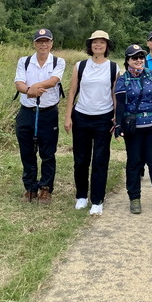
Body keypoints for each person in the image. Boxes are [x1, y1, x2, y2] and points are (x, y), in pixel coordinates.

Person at [64, 31, 119, 216]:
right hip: (81, 116)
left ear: (107, 46)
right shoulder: (80, 66)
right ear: (90, 45)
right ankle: (81, 196)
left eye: (102, 42)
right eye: (95, 42)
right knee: (80, 159)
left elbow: (114, 94)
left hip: (104, 117)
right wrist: (67, 116)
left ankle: (97, 200)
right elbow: (72, 92)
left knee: (100, 160)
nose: (98, 45)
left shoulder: (113, 67)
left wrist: (116, 117)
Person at [114, 44, 152, 216]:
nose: (138, 60)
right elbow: (121, 104)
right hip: (134, 129)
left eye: (141, 57)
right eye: (134, 57)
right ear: (128, 60)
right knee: (134, 163)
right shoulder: (123, 79)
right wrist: (118, 125)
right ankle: (134, 198)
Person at [14, 28, 65, 204]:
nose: (43, 44)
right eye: (40, 41)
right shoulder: (24, 61)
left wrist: (34, 87)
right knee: (27, 152)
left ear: (51, 43)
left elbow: (53, 81)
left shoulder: (59, 61)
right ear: (35, 44)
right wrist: (29, 91)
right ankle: (30, 187)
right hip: (27, 111)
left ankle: (45, 188)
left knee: (48, 152)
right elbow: (18, 83)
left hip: (48, 112)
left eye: (47, 41)